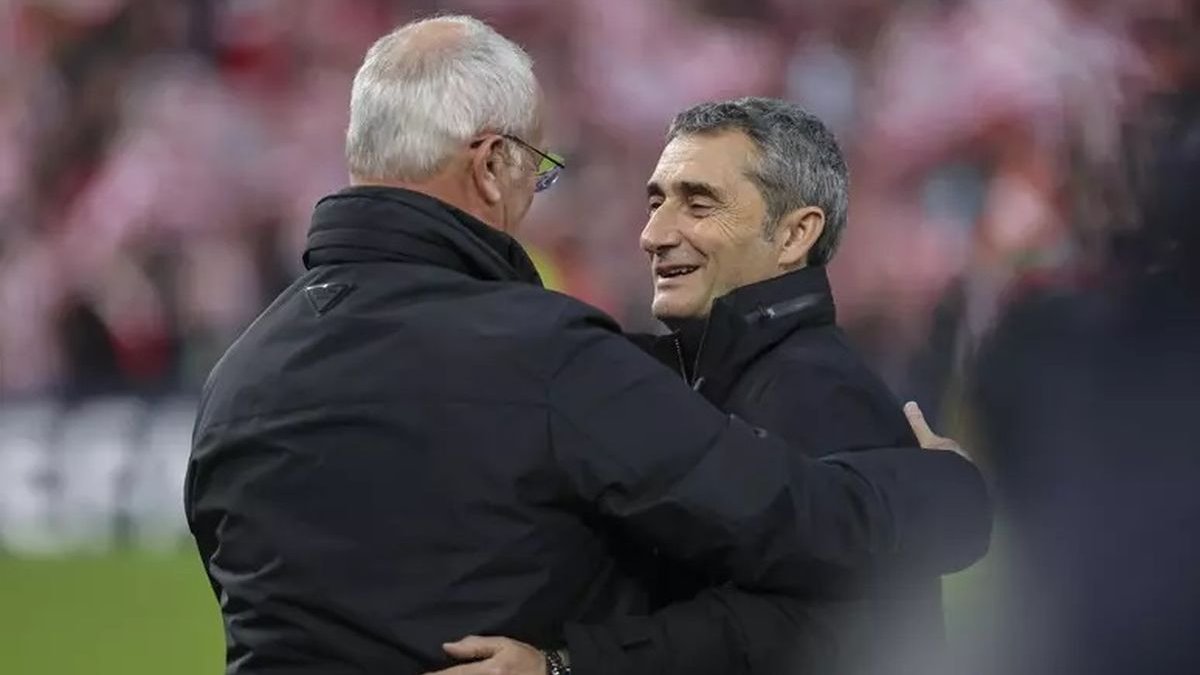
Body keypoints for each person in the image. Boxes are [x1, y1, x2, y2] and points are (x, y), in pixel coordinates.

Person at [184, 16, 990, 675]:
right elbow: (794, 518)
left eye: (697, 202)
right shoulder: (542, 355)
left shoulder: (237, 378)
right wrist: (947, 490)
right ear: (492, 163)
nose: (653, 232)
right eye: (536, 168)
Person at [433, 99, 956, 675]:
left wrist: (564, 665)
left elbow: (810, 635)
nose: (653, 235)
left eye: (699, 204)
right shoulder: (716, 371)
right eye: (656, 203)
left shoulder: (818, 389)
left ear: (794, 234)